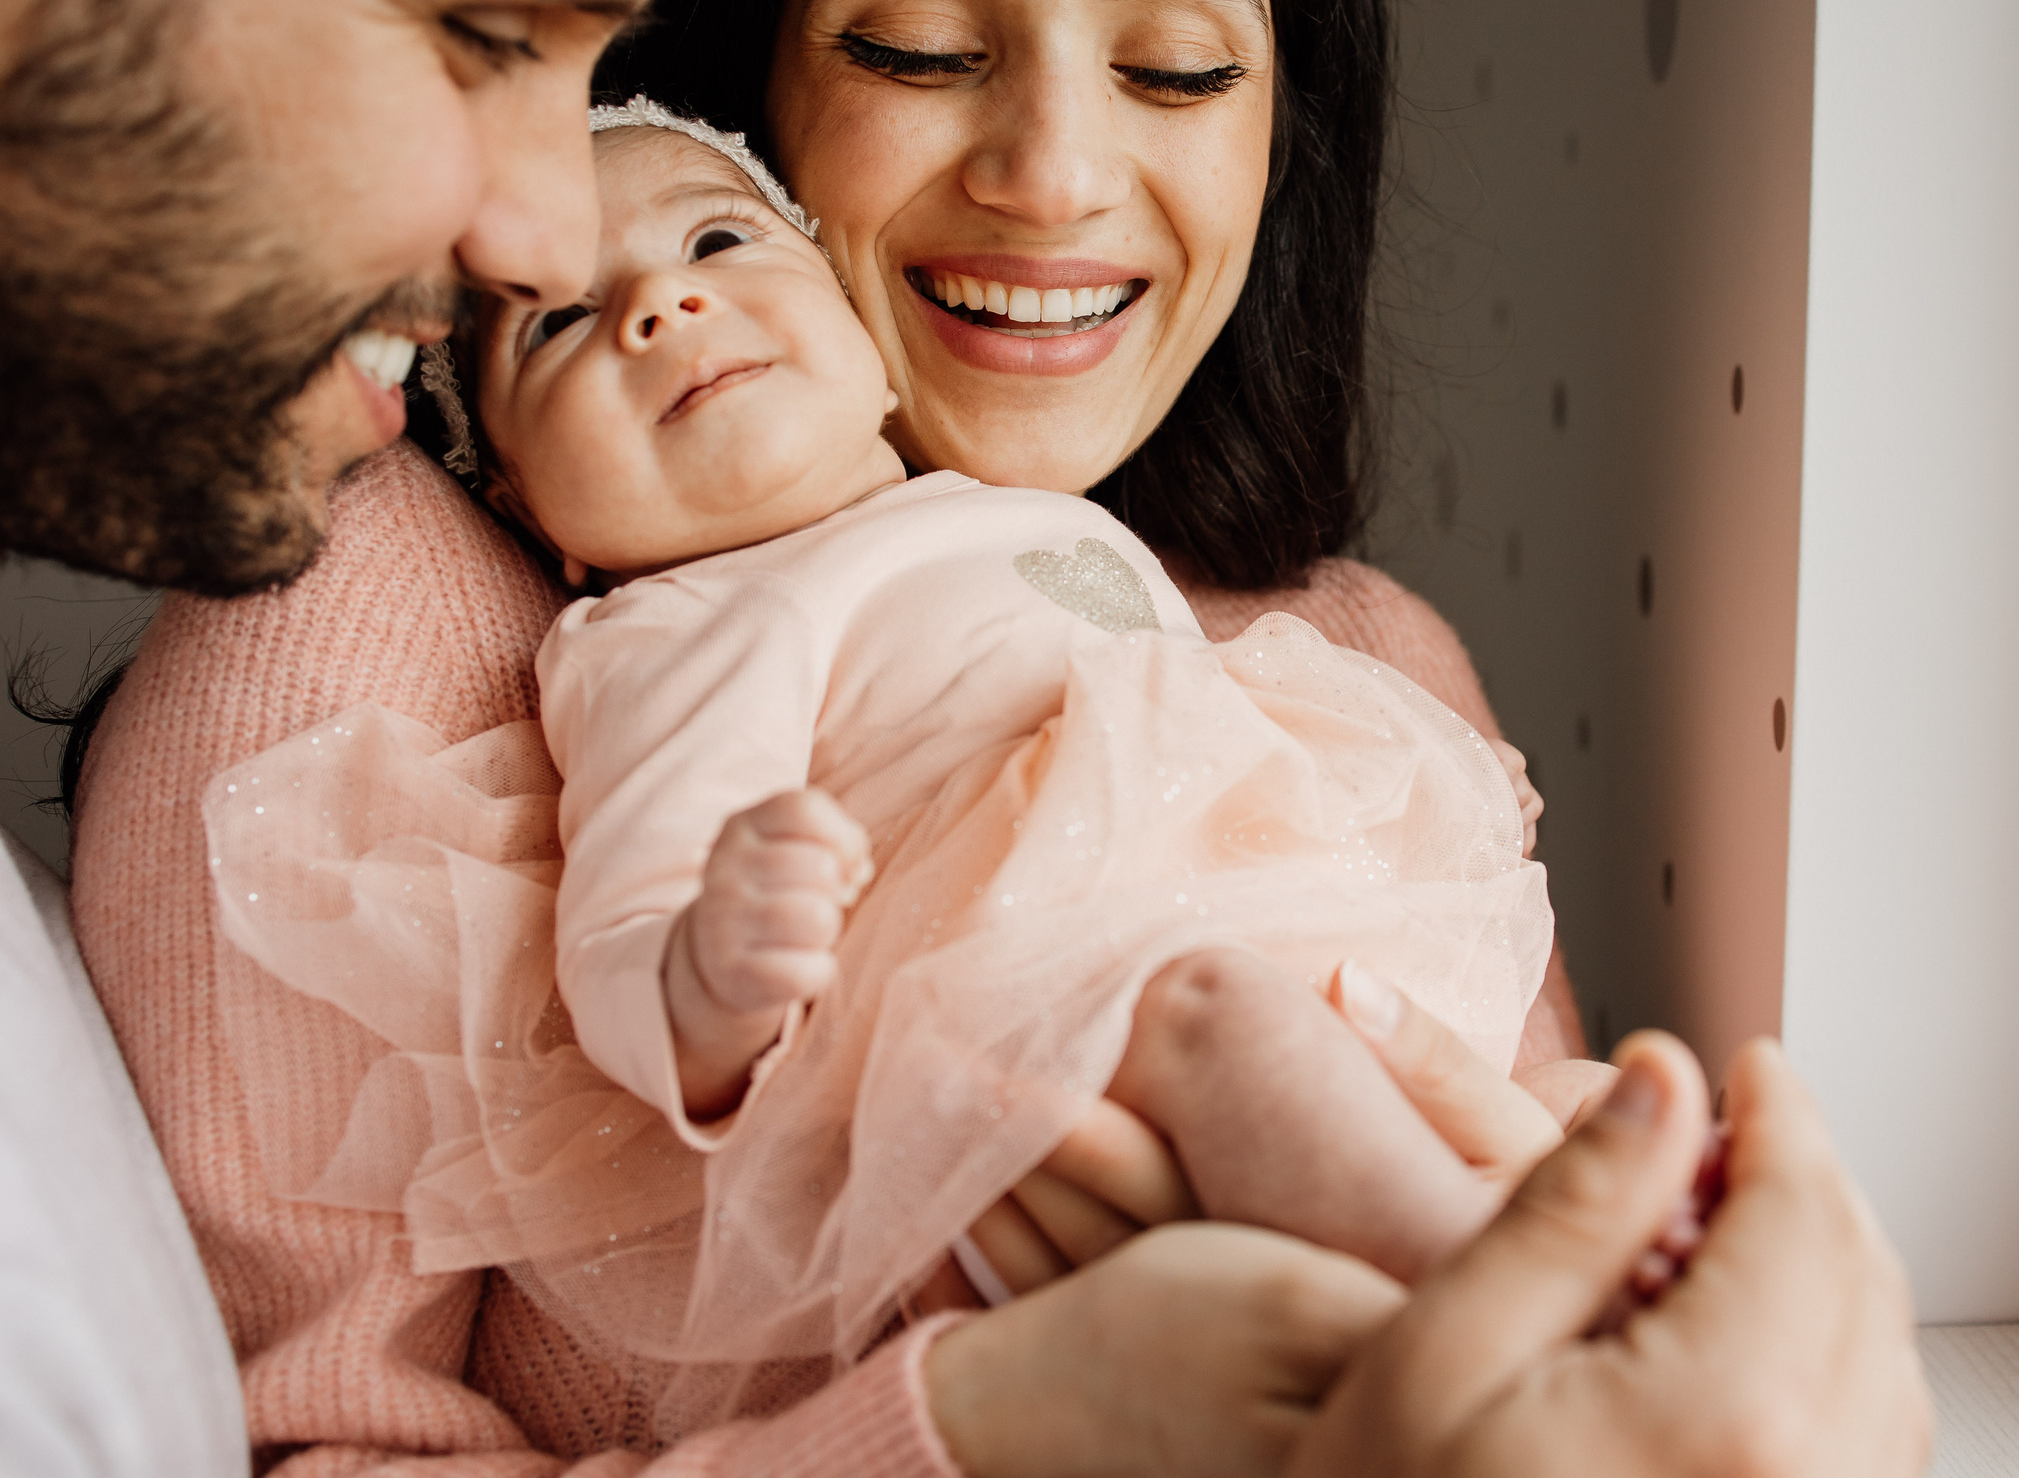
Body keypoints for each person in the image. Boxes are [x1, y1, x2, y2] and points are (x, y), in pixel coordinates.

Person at [0, 0, 1931, 1473]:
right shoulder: (375, 608)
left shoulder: (1361, 675)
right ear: (721, 80)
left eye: (1182, 68)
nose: (1058, 178)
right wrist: (989, 1431)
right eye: (915, 46)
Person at [205, 107, 1578, 1390]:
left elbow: (1185, 708)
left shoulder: (1007, 511)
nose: (661, 307)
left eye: (719, 241)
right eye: (559, 322)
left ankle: (1523, 1283)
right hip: (1059, 1033)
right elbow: (625, 917)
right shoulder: (679, 626)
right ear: (531, 507)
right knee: (1226, 1031)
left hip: (1293, 958)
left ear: (866, 340)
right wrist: (707, 973)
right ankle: (1498, 1348)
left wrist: (1387, 787)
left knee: (1579, 1099)